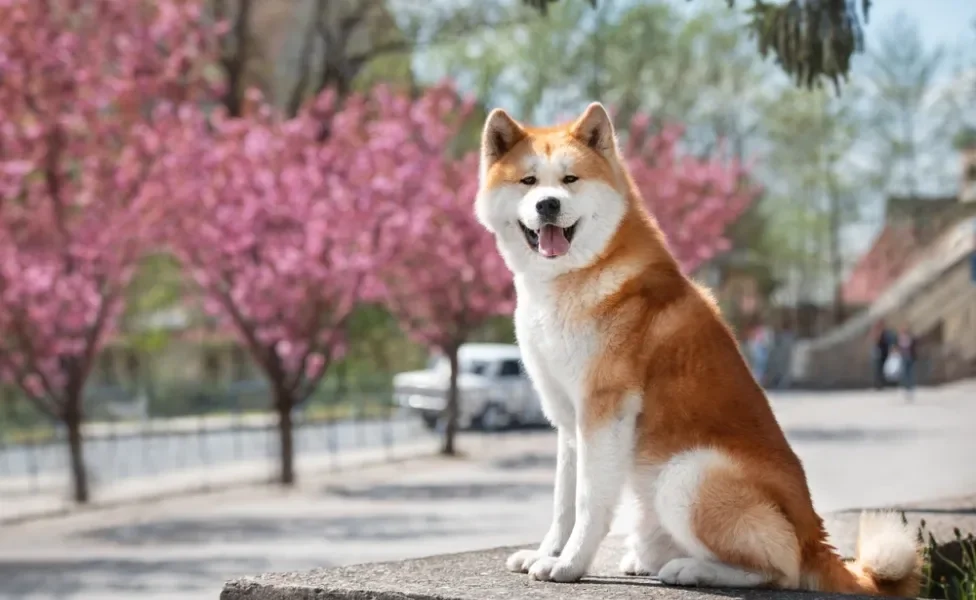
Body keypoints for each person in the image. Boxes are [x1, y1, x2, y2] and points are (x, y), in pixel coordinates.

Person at [894, 326, 918, 401]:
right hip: (904, 357)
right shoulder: (901, 338)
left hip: (909, 357)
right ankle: (907, 388)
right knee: (905, 373)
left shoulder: (909, 338)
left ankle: (910, 388)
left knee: (909, 373)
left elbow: (910, 347)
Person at [871, 320, 894, 389]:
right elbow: (875, 340)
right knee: (877, 369)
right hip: (878, 354)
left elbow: (888, 342)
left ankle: (882, 383)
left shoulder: (886, 333)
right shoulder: (877, 332)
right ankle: (878, 384)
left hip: (884, 354)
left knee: (882, 369)